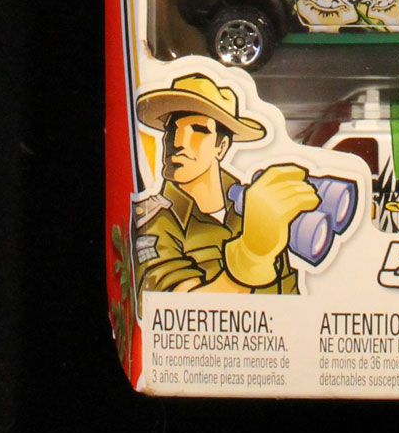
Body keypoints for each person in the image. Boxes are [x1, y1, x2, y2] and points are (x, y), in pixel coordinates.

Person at [132, 72, 319, 299]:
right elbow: (175, 307)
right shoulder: (155, 220)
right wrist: (251, 256)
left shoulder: (255, 209)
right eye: (172, 129)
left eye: (198, 130)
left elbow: (289, 299)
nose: (178, 142)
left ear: (221, 147)